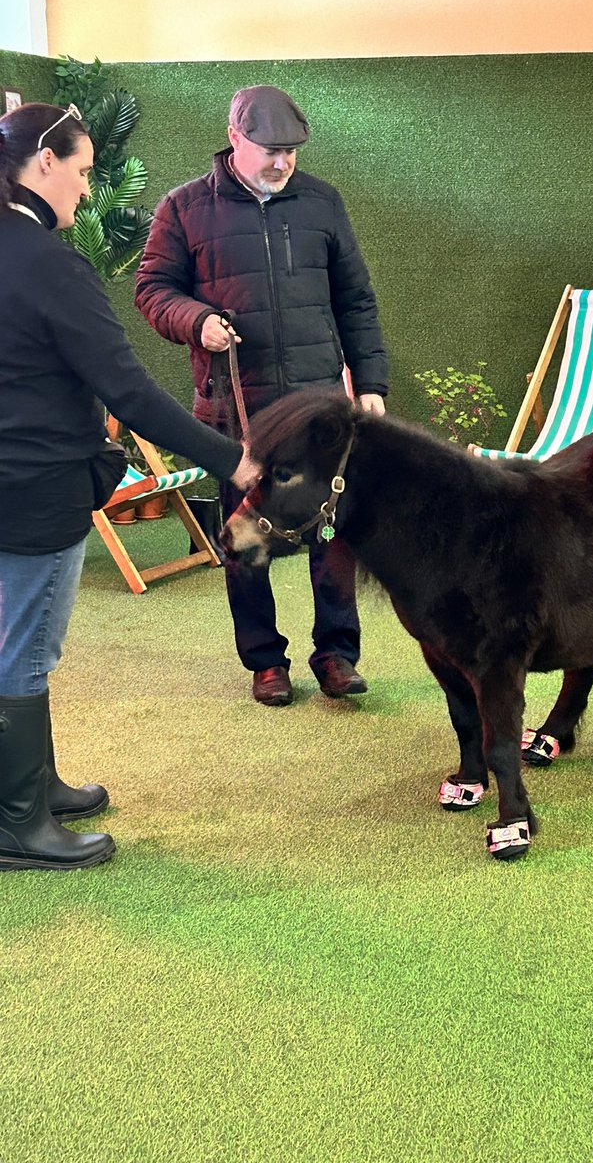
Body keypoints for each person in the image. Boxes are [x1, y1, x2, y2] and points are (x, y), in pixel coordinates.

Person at [0, 102, 258, 871]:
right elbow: (132, 393)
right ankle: (17, 827)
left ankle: (35, 788)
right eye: (81, 171)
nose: (85, 190)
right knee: (25, 653)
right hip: (39, 487)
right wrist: (232, 458)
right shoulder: (50, 264)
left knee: (15, 641)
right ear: (44, 163)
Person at [135, 85, 389, 708]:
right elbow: (153, 290)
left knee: (332, 534)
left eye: (292, 152)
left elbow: (355, 300)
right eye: (272, 150)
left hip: (320, 407)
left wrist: (372, 385)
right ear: (236, 139)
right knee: (244, 538)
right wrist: (195, 320)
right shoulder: (184, 207)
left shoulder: (323, 202)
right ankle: (265, 662)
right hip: (234, 409)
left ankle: (337, 656)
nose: (282, 162)